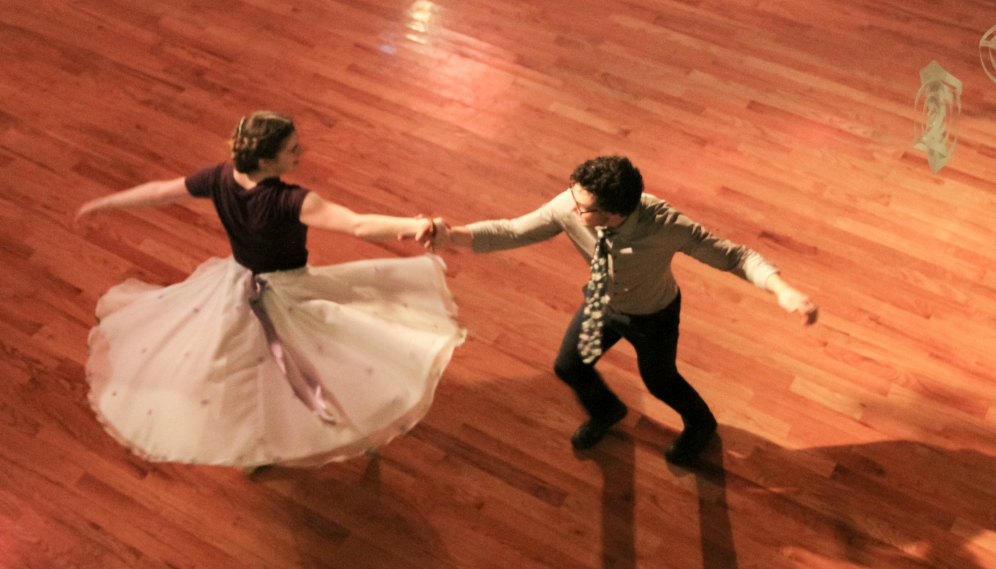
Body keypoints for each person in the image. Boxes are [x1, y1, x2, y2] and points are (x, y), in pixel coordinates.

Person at [76, 111, 465, 470]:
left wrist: (106, 202)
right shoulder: (288, 201)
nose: (302, 153)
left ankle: (252, 445)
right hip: (287, 294)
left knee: (247, 369)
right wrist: (418, 226)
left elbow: (162, 191)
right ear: (266, 160)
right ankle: (305, 430)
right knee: (317, 357)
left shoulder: (219, 177)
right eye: (293, 150)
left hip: (234, 288)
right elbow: (357, 225)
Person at [424, 156, 817, 464]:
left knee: (660, 382)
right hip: (601, 302)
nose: (570, 209)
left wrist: (781, 289)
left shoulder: (665, 225)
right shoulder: (573, 202)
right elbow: (512, 230)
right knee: (570, 366)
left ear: (615, 213)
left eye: (582, 208)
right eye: (573, 199)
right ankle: (608, 411)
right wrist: (451, 236)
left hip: (653, 316)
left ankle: (701, 425)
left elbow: (736, 256)